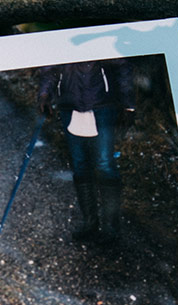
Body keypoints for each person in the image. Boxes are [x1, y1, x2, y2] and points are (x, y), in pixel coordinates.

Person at [38, 59, 135, 242]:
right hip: (69, 103)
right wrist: (44, 94)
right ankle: (90, 223)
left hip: (103, 103)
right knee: (80, 165)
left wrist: (128, 103)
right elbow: (49, 66)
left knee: (105, 163)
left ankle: (111, 227)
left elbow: (122, 64)